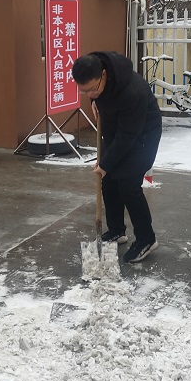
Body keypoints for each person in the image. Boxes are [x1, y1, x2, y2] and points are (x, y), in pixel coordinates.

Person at [72, 51, 162, 263]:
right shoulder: (97, 73)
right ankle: (117, 230)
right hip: (117, 130)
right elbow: (98, 95)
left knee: (128, 186)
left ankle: (147, 239)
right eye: (84, 91)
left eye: (92, 89)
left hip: (142, 136)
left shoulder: (132, 92)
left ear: (103, 75)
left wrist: (106, 163)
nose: (90, 94)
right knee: (109, 180)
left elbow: (127, 135)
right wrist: (95, 100)